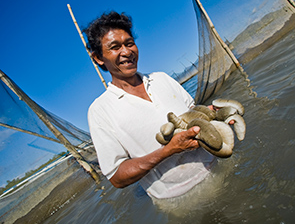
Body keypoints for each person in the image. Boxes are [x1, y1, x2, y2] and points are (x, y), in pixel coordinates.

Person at [84, 11, 216, 199]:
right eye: (115, 47)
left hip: (216, 168)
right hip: (178, 200)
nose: (126, 52)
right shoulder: (101, 111)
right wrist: (168, 151)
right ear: (98, 57)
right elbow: (117, 177)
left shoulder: (161, 79)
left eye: (130, 43)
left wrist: (212, 116)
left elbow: (192, 113)